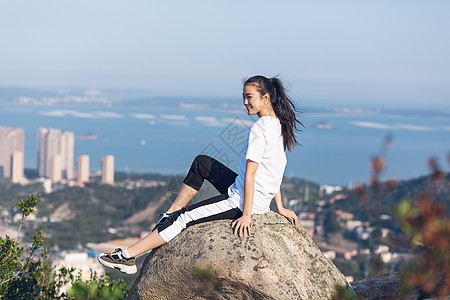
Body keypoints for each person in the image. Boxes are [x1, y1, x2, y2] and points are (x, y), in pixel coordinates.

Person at [98, 75, 303, 274]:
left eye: (249, 97)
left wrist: (247, 215)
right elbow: (274, 171)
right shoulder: (278, 125)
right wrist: (280, 206)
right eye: (244, 97)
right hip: (251, 192)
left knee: (184, 219)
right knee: (203, 163)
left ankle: (127, 256)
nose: (244, 102)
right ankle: (170, 212)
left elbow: (252, 175)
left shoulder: (260, 129)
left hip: (242, 200)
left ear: (265, 98)